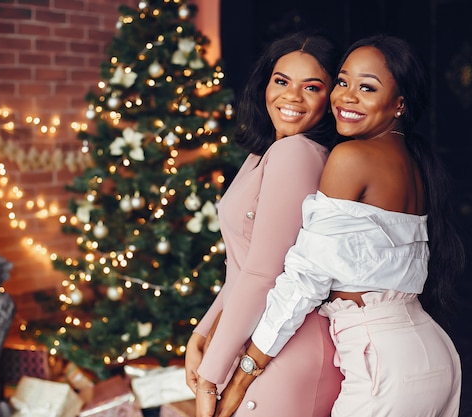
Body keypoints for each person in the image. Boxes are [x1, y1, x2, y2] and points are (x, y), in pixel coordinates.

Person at [217, 34, 465, 417]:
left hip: (382, 365)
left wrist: (244, 371)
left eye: (367, 87)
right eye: (343, 82)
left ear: (399, 104)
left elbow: (304, 280)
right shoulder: (411, 161)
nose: (347, 96)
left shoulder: (351, 158)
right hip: (431, 353)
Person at [184, 31, 344, 417]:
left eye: (312, 87)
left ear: (331, 98)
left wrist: (211, 374)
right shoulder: (264, 152)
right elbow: (242, 266)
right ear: (265, 84)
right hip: (258, 340)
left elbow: (263, 273)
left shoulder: (296, 153)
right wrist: (202, 333)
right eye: (282, 81)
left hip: (286, 350)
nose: (291, 96)